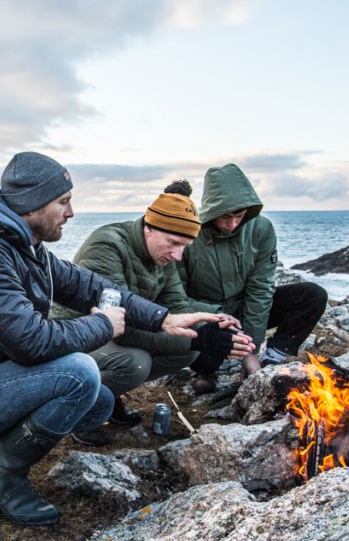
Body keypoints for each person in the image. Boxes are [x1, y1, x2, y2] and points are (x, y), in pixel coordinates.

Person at [0, 152, 232, 527]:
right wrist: (102, 326)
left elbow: (91, 286)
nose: (71, 212)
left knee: (98, 403)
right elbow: (31, 342)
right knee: (79, 373)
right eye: (63, 202)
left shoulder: (25, 248)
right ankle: (3, 475)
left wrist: (163, 318)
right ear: (32, 204)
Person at [52, 188, 253, 445]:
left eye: (185, 247)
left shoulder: (162, 257)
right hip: (73, 334)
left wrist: (214, 324)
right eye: (174, 243)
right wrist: (198, 339)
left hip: (114, 332)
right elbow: (120, 329)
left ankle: (109, 397)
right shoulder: (107, 246)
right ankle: (79, 411)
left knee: (186, 352)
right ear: (149, 228)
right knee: (133, 362)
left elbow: (177, 306)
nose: (178, 255)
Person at [172, 164, 328, 394]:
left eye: (240, 216)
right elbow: (176, 295)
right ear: (212, 209)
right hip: (209, 315)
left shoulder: (261, 229)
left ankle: (272, 359)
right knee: (207, 362)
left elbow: (261, 287)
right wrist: (212, 315)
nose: (233, 224)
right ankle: (204, 370)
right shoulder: (187, 233)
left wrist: (251, 350)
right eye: (225, 216)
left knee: (312, 295)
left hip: (244, 308)